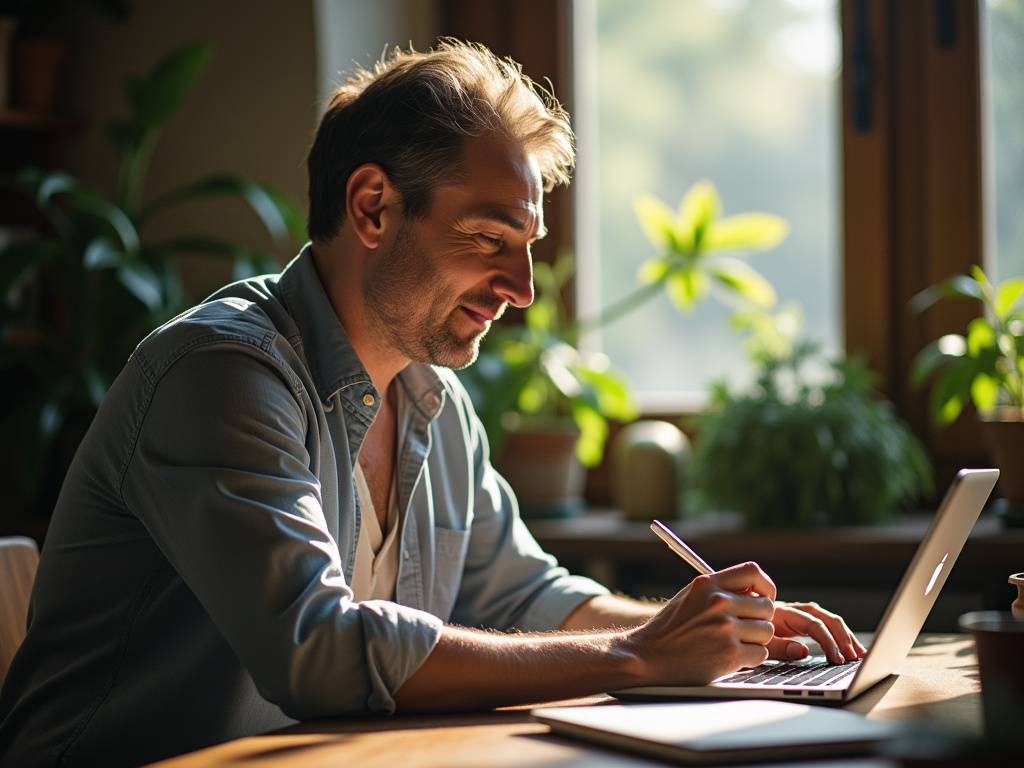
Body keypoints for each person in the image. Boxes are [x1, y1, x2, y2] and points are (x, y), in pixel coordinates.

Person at [0, 40, 865, 767]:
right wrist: (639, 655)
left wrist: (716, 634)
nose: (522, 288)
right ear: (373, 205)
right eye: (490, 239)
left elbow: (526, 599)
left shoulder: (435, 401)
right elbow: (317, 650)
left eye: (526, 246)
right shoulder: (220, 371)